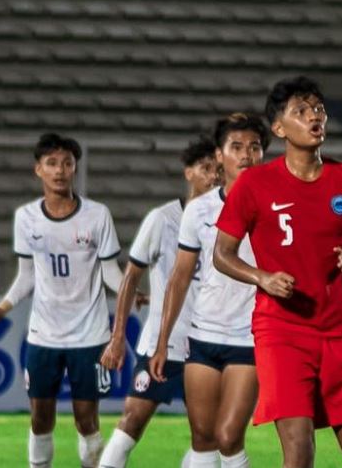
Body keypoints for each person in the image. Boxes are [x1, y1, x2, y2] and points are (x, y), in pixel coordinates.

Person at [213, 76, 342, 468]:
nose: (314, 118)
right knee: (300, 452)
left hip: (340, 333)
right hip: (282, 332)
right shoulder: (255, 183)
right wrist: (262, 277)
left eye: (318, 110)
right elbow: (222, 254)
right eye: (301, 112)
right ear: (279, 127)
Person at [0, 132, 124, 468]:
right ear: (38, 170)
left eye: (67, 163)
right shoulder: (26, 218)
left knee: (86, 420)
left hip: (90, 336)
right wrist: (2, 307)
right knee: (40, 419)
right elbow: (27, 275)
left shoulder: (97, 215)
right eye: (52, 163)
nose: (60, 170)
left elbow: (110, 272)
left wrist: (132, 291)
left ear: (75, 169)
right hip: (44, 335)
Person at [150, 113, 269, 468]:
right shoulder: (200, 209)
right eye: (236, 147)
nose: (246, 155)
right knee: (202, 437)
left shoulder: (275, 205)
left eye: (254, 147)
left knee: (229, 436)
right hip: (202, 336)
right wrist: (162, 341)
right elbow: (180, 277)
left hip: (249, 337)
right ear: (219, 156)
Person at [98, 135, 221, 467]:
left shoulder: (225, 223)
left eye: (217, 170)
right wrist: (117, 336)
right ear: (188, 173)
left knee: (208, 435)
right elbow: (130, 276)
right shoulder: (162, 219)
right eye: (206, 168)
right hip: (163, 343)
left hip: (207, 344)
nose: (213, 177)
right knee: (132, 421)